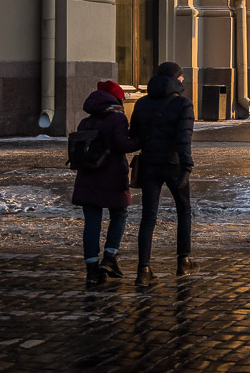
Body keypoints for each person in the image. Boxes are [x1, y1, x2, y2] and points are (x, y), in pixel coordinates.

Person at [129, 61, 195, 287]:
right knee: (184, 209)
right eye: (182, 76)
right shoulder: (183, 104)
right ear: (175, 79)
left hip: (149, 164)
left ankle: (143, 269)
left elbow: (134, 136)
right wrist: (187, 166)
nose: (184, 80)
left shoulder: (141, 103)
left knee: (148, 216)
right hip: (173, 164)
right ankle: (183, 260)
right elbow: (183, 139)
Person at [71, 80, 139, 288]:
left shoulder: (86, 121)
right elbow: (123, 145)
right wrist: (140, 140)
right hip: (111, 177)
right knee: (119, 214)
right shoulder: (117, 118)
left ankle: (92, 269)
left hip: (87, 176)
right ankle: (109, 257)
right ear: (116, 98)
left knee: (92, 222)